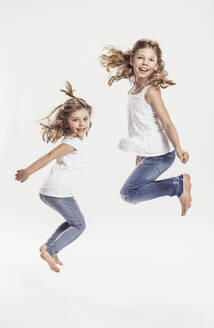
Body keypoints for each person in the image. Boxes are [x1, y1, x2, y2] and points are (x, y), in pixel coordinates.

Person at [100, 39, 192, 216]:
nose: (145, 63)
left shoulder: (151, 91)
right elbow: (141, 126)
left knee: (128, 194)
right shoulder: (135, 89)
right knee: (129, 194)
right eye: (141, 58)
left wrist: (179, 148)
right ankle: (177, 185)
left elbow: (167, 123)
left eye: (151, 60)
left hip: (161, 155)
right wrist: (140, 151)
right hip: (150, 152)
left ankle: (177, 185)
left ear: (157, 65)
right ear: (132, 60)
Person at [15, 81, 92, 272]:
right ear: (67, 122)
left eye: (85, 119)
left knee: (72, 222)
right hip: (59, 192)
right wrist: (28, 171)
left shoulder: (76, 141)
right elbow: (49, 156)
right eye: (75, 120)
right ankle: (51, 249)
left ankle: (48, 247)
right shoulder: (71, 143)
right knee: (79, 225)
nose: (81, 123)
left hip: (54, 191)